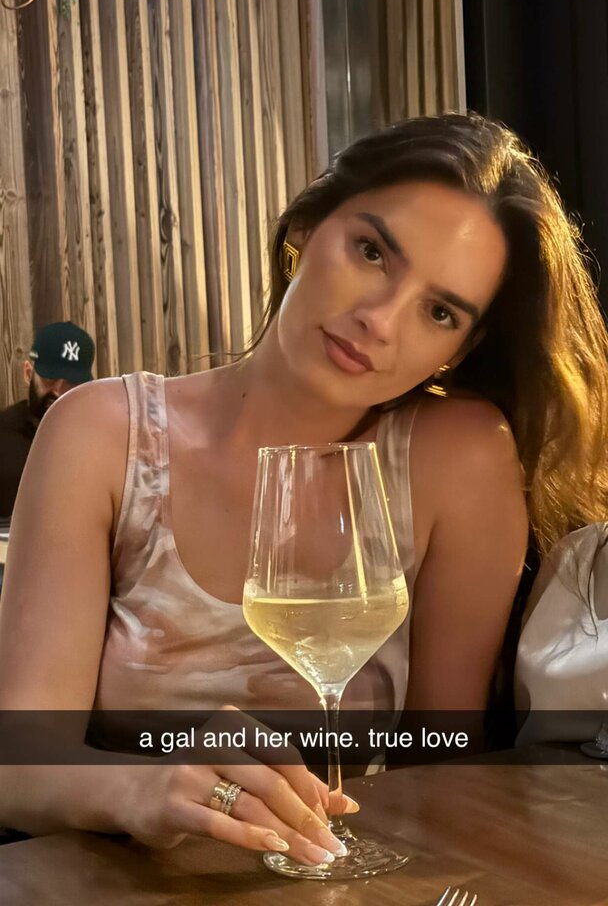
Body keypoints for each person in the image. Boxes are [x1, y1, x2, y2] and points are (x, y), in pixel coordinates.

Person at [1, 113, 607, 867]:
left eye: (439, 311)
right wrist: (139, 788)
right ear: (305, 226)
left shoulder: (460, 459)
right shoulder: (99, 433)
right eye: (372, 252)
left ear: (461, 347)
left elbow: (445, 758)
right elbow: (17, 763)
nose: (379, 321)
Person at [0, 322, 95, 522]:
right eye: (50, 380)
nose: (58, 393)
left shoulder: (100, 440)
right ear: (28, 373)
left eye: (71, 384)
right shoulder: (4, 434)